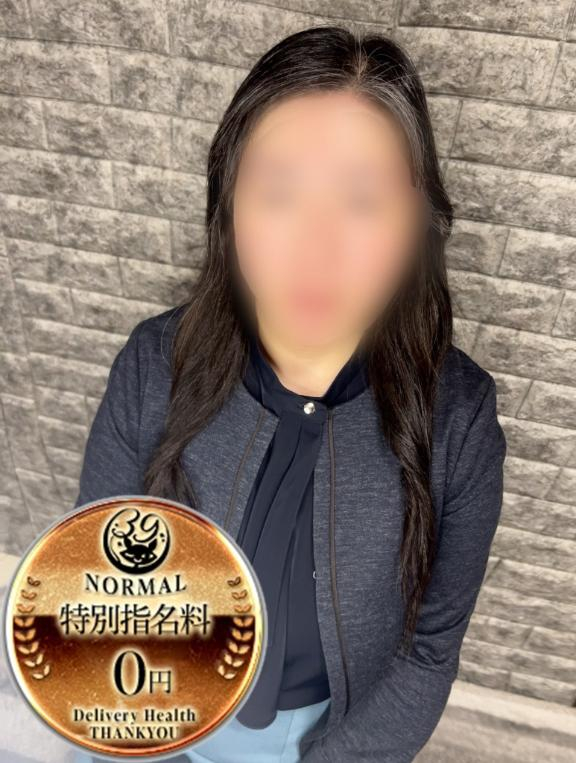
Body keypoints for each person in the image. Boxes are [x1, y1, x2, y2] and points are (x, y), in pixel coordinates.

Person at [74, 26, 506, 763]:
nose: (316, 247)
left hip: (326, 740)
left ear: (418, 226)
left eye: (362, 201)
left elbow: (429, 651)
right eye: (278, 195)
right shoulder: (154, 365)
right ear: (229, 209)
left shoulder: (458, 424)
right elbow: (92, 584)